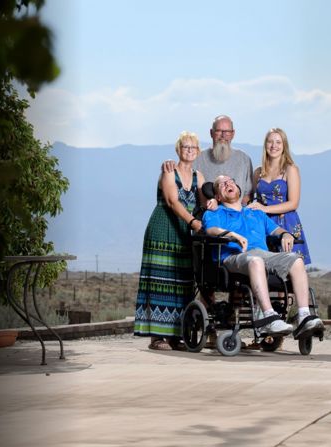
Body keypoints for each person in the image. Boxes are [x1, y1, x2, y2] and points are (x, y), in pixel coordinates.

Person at [202, 175, 324, 338]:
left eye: (231, 181)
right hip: (233, 256)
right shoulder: (215, 212)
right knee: (256, 261)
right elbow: (210, 230)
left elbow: (275, 230)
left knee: (296, 259)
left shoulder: (255, 213)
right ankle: (268, 317)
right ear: (217, 196)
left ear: (238, 189)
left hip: (263, 254)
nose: (228, 184)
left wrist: (286, 234)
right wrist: (233, 235)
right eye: (222, 185)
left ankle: (304, 317)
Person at [135, 132, 206, 350]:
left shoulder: (199, 177)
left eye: (193, 147)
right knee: (160, 280)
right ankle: (157, 337)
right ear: (178, 149)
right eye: (185, 146)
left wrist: (211, 205)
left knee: (182, 283)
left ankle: (177, 335)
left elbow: (203, 201)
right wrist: (193, 222)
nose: (189, 150)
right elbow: (173, 202)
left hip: (184, 233)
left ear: (198, 151)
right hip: (163, 228)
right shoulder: (168, 172)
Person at [248, 128, 311, 264]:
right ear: (265, 145)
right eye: (270, 142)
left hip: (286, 223)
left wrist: (265, 209)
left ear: (284, 146)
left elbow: (294, 203)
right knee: (266, 267)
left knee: (291, 268)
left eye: (278, 142)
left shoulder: (290, 169)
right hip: (263, 224)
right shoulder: (258, 172)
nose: (274, 146)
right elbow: (248, 198)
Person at [163, 115, 254, 205]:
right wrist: (169, 162)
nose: (223, 135)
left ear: (233, 134)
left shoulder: (244, 159)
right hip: (203, 216)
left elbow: (247, 196)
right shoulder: (197, 157)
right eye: (218, 131)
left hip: (236, 216)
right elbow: (181, 173)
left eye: (227, 131)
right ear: (211, 133)